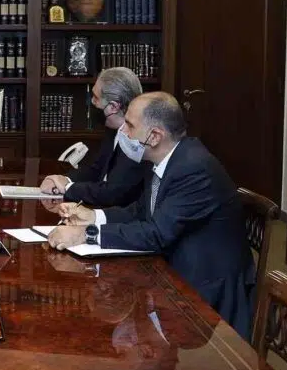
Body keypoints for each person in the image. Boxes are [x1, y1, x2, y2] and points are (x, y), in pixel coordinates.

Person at [48, 92, 256, 340]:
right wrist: (94, 216)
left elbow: (157, 233)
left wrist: (87, 234)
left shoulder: (193, 168)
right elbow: (141, 211)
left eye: (130, 125)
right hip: (172, 269)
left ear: (155, 136)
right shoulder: (164, 159)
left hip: (203, 291)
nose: (123, 131)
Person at [39, 67, 147, 208]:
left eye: (96, 98)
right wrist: (63, 179)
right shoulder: (112, 129)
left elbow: (113, 193)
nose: (91, 102)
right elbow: (96, 169)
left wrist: (67, 188)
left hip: (118, 214)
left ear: (114, 107)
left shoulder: (137, 141)